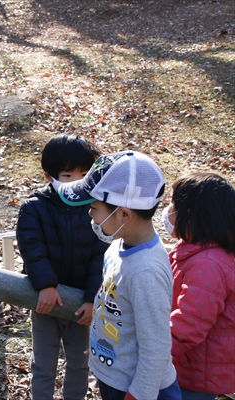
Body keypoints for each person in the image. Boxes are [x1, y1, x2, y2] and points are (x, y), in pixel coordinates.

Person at [58, 151, 181, 400]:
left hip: (140, 388)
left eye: (94, 208)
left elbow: (156, 349)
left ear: (124, 215)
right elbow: (113, 305)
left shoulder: (146, 272)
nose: (90, 215)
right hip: (115, 374)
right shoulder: (116, 247)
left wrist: (138, 395)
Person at [16, 134, 108, 400]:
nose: (77, 182)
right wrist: (46, 285)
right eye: (68, 175)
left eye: (84, 174)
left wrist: (92, 298)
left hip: (81, 303)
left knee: (80, 363)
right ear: (50, 176)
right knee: (44, 364)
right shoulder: (34, 208)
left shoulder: (96, 208)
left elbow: (100, 256)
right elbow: (32, 250)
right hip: (46, 302)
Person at [163, 172, 235, 400]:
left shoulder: (208, 264)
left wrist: (153, 352)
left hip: (195, 371)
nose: (168, 211)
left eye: (174, 205)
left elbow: (189, 323)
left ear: (195, 216)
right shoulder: (192, 250)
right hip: (186, 364)